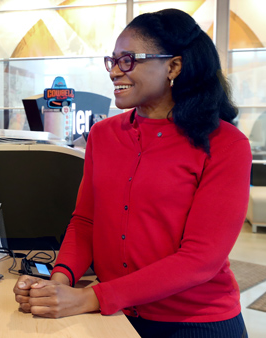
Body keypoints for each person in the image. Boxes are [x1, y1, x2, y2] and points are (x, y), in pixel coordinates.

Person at [13, 9, 250, 338]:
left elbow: (201, 260)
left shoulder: (225, 144)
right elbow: (86, 221)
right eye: (113, 60)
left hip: (194, 322)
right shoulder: (103, 135)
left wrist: (89, 297)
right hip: (114, 315)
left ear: (174, 66)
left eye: (129, 60)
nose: (114, 72)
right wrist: (57, 287)